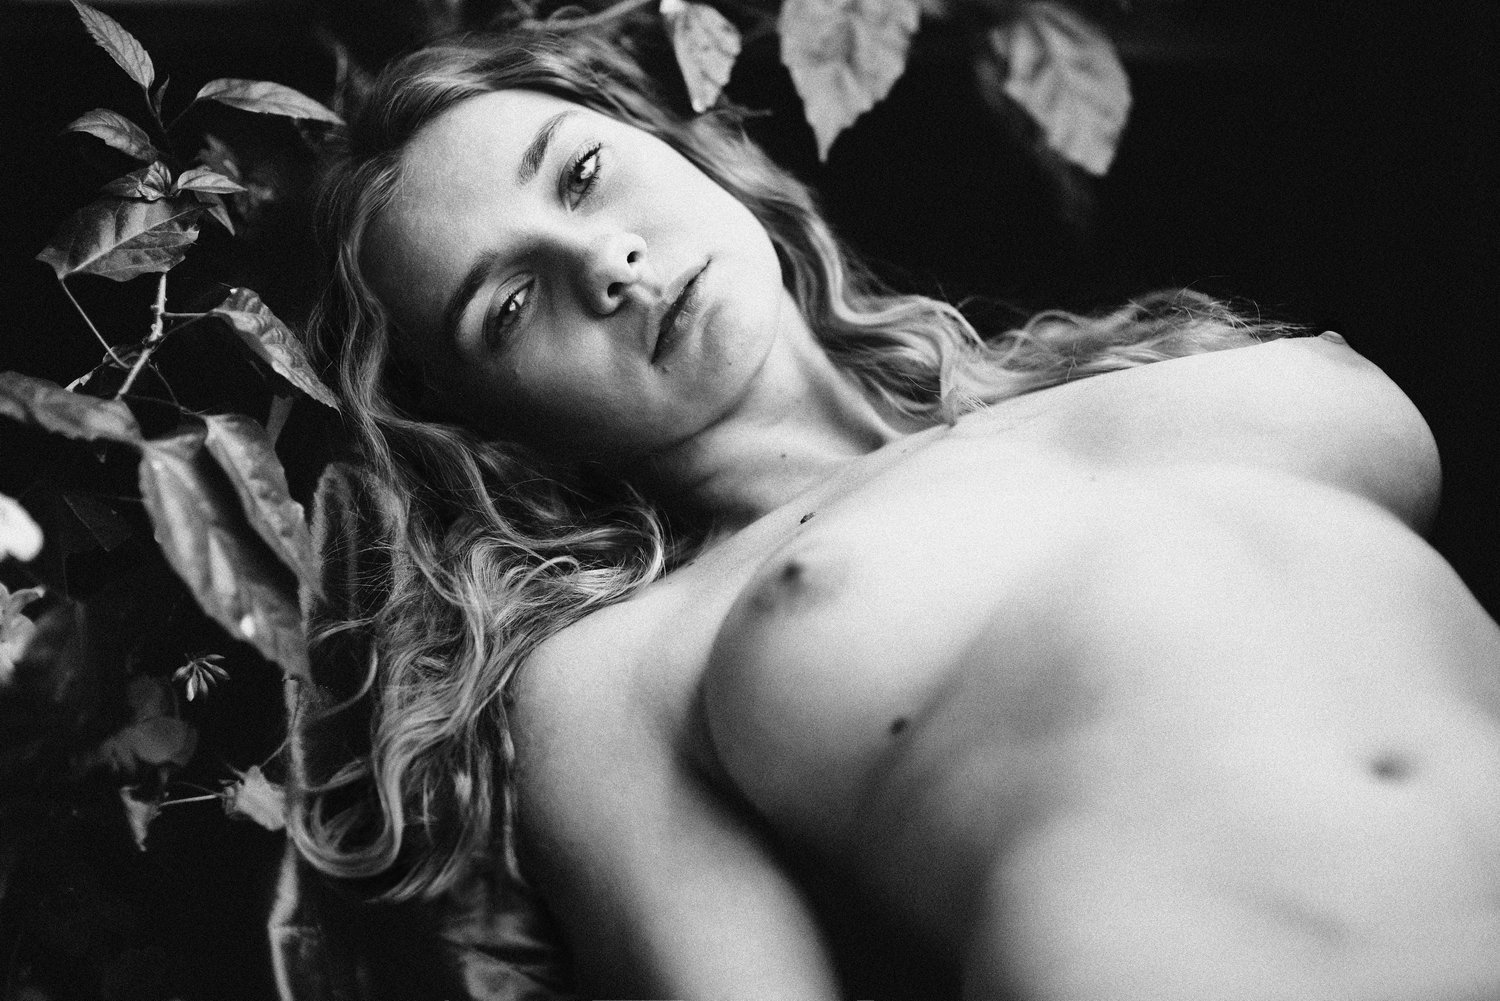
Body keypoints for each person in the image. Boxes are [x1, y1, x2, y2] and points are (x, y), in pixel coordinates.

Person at [294, 22, 1500, 1001]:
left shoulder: (1154, 365)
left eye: (582, 174)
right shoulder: (620, 667)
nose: (603, 265)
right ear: (490, 426)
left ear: (677, 143)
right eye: (507, 308)